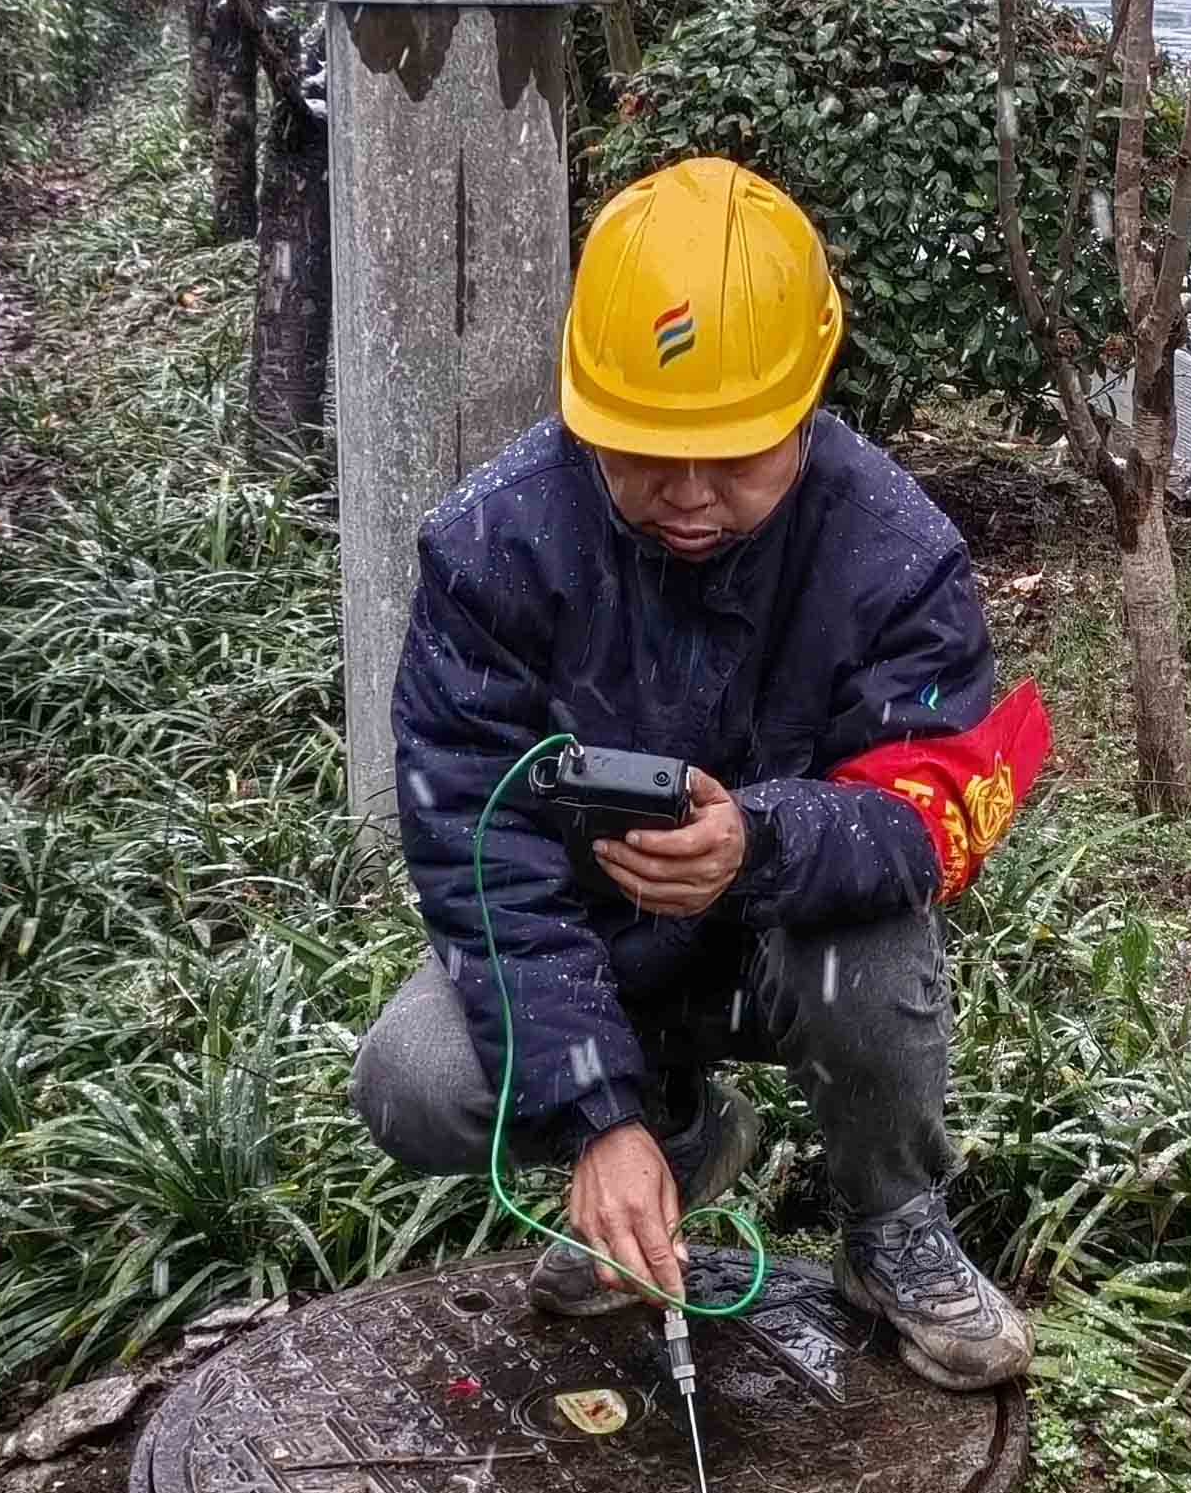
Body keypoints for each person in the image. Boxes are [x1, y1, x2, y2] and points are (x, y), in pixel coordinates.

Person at [349, 156, 1047, 1390]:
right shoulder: (493, 548)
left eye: (733, 456)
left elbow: (927, 807)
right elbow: (473, 847)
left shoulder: (893, 552)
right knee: (414, 1080)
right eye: (641, 451)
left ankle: (892, 1228)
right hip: (591, 944)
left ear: (805, 406)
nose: (686, 497)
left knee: (871, 936)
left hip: (790, 946)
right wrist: (597, 1117)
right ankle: (674, 1132)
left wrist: (760, 845)